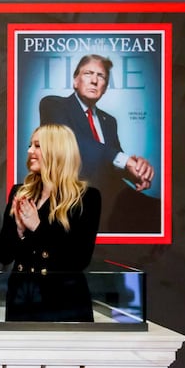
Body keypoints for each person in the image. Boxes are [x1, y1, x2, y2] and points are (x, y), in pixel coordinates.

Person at [39, 54, 158, 234]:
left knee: (158, 212)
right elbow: (71, 142)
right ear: (75, 81)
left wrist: (137, 171)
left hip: (109, 202)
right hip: (70, 200)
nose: (94, 80)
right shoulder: (53, 105)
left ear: (105, 88)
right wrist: (124, 159)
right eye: (88, 73)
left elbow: (113, 162)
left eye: (101, 76)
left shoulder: (109, 122)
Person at [0, 124, 101, 322]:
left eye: (37, 146)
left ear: (57, 151)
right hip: (22, 299)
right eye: (30, 145)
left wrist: (37, 227)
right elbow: (3, 254)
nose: (29, 151)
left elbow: (78, 259)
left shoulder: (86, 198)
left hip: (64, 302)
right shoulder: (21, 192)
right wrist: (18, 229)